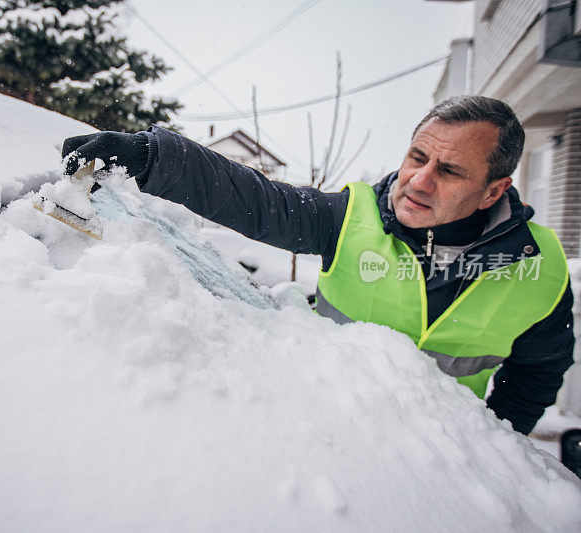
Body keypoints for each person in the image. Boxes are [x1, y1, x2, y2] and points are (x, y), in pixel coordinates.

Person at [61, 96, 575, 435]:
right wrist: (153, 158)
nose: (418, 181)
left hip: (435, 462)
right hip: (327, 434)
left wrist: (490, 448)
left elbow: (538, 371)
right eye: (417, 157)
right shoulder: (351, 217)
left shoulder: (541, 270)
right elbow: (256, 201)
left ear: (493, 190)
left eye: (449, 170)